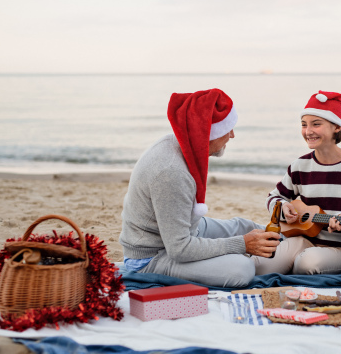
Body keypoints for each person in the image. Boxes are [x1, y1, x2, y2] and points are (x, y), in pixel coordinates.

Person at [119, 88, 279, 287]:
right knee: (242, 269)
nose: (232, 135)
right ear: (208, 133)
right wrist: (242, 244)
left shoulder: (182, 144)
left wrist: (247, 238)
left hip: (182, 232)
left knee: (246, 226)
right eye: (228, 128)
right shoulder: (171, 172)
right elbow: (180, 249)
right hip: (151, 257)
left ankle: (293, 239)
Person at [254, 91, 341, 275]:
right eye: (304, 125)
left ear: (336, 127)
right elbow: (275, 196)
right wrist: (282, 207)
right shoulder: (300, 165)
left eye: (316, 124)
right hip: (303, 239)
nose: (308, 131)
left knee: (306, 263)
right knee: (260, 267)